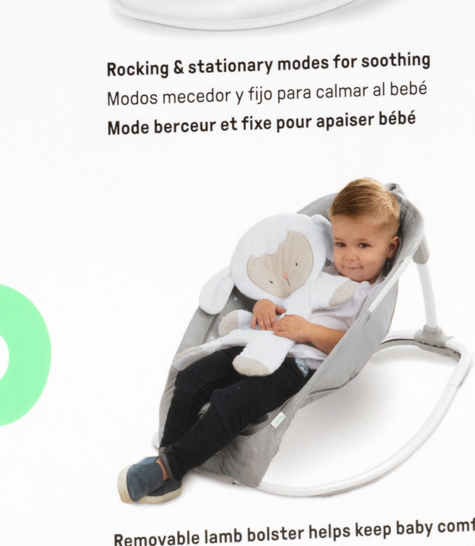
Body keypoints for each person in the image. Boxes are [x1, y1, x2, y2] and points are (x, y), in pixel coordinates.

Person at [121, 177, 405, 504]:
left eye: (363, 246)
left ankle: (166, 468)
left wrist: (309, 331)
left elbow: (353, 344)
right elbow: (281, 287)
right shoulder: (318, 265)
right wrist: (264, 303)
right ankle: (168, 457)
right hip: (257, 343)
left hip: (297, 366)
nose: (349, 256)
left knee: (231, 402)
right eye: (341, 243)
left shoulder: (371, 295)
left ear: (391, 248)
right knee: (191, 378)